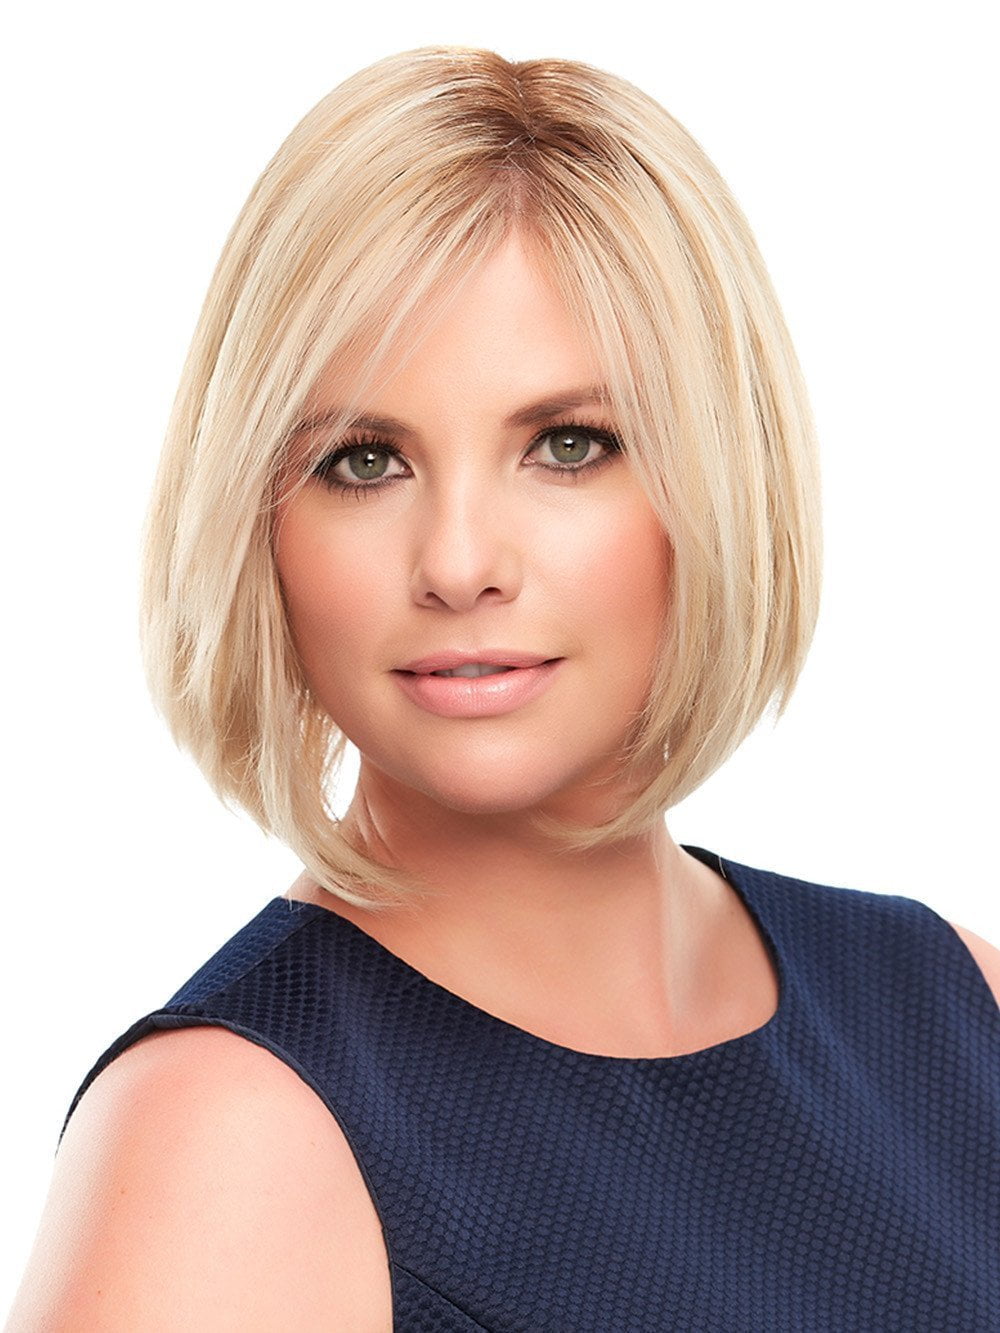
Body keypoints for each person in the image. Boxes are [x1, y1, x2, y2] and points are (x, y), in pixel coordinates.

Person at [7, 46, 998, 1332]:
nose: (459, 561)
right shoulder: (226, 1142)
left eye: (567, 444)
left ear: (722, 473)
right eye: (363, 461)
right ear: (257, 520)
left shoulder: (952, 1006)